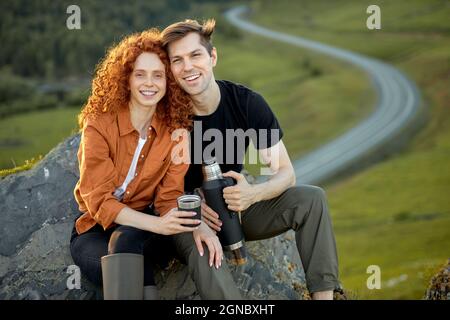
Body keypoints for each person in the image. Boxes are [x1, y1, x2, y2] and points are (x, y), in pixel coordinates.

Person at [161, 19, 341, 300]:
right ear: (170, 69)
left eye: (195, 55)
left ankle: (324, 297)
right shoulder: (165, 115)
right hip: (188, 219)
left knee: (311, 200)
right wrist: (191, 207)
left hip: (235, 210)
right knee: (205, 247)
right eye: (177, 60)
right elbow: (150, 185)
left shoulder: (245, 103)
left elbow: (285, 172)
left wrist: (252, 194)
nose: (188, 67)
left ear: (213, 57)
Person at [69, 28, 200, 300]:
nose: (149, 83)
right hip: (95, 232)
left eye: (158, 75)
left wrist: (175, 223)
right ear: (126, 79)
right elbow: (100, 202)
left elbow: (168, 198)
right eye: (140, 74)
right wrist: (158, 225)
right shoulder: (99, 125)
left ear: (169, 82)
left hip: (147, 231)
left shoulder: (176, 132)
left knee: (128, 240)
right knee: (123, 253)